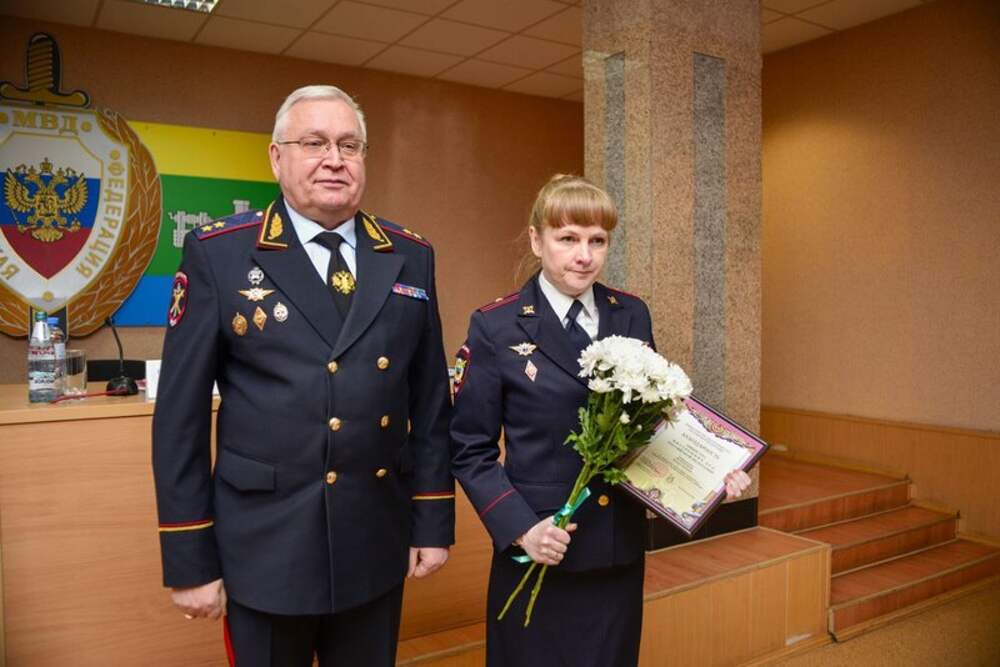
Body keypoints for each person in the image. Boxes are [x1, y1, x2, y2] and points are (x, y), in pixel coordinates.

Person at [152, 85, 455, 666]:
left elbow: (430, 402)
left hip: (373, 538)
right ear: (277, 157)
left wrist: (432, 520)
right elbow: (179, 420)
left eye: (349, 145)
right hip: (264, 545)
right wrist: (189, 555)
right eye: (314, 143)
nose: (334, 159)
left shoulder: (410, 255)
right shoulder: (220, 253)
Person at [450, 174, 751, 666]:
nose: (584, 255)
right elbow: (469, 449)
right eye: (568, 238)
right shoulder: (496, 326)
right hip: (541, 545)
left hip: (615, 545)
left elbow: (649, 424)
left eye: (597, 240)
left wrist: (712, 474)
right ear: (537, 240)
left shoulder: (631, 313)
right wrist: (522, 529)